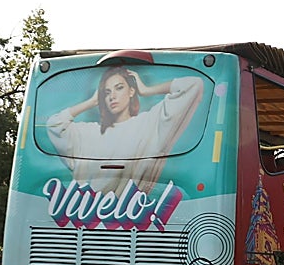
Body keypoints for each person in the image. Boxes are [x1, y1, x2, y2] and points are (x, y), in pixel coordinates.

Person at [46, 67, 205, 191]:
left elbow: (193, 85)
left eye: (119, 88)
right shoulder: (88, 133)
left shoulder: (148, 124)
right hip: (87, 218)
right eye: (107, 92)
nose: (112, 96)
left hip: (136, 217)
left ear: (131, 91)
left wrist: (146, 90)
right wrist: (91, 102)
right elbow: (54, 124)